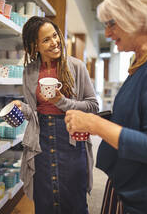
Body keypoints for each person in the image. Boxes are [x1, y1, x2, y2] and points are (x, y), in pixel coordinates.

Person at [65, 0, 147, 214]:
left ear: (138, 16)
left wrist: (96, 124)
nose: (107, 32)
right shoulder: (140, 64)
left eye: (112, 23)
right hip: (125, 187)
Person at [13, 16, 99, 214]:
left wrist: (61, 101)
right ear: (35, 46)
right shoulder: (30, 71)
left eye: (55, 36)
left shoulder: (75, 66)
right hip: (40, 141)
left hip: (71, 140)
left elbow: (93, 106)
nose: (54, 42)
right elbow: (34, 112)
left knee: (74, 200)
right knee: (45, 200)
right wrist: (21, 107)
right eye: (46, 40)